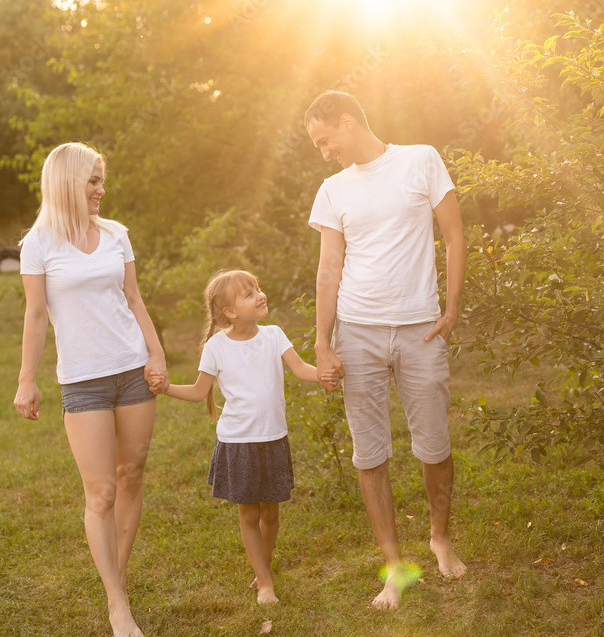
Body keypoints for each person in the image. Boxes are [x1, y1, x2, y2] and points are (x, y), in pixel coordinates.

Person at [304, 90, 468, 610]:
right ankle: (395, 569)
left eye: (324, 140)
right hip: (358, 333)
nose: (323, 153)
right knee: (370, 453)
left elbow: (455, 233)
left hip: (421, 328)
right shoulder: (333, 189)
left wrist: (452, 309)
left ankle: (439, 539)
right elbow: (329, 268)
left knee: (435, 446)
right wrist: (322, 343)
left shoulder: (420, 159)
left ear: (347, 123)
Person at [13, 142, 164, 637]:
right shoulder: (38, 243)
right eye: (93, 181)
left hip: (132, 369)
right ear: (66, 182)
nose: (101, 189)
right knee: (100, 491)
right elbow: (36, 315)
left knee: (132, 473)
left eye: (102, 180)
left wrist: (157, 353)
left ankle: (115, 579)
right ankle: (117, 606)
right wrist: (26, 379)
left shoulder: (116, 234)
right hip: (82, 381)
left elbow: (134, 299)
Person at [147, 269, 338, 605]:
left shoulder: (274, 335)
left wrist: (322, 375)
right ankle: (264, 582)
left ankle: (261, 567)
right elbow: (197, 392)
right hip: (238, 443)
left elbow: (300, 368)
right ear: (230, 312)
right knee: (249, 514)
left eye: (257, 289)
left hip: (273, 438)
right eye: (249, 294)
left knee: (271, 513)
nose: (260, 295)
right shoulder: (216, 347)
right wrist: (165, 389)